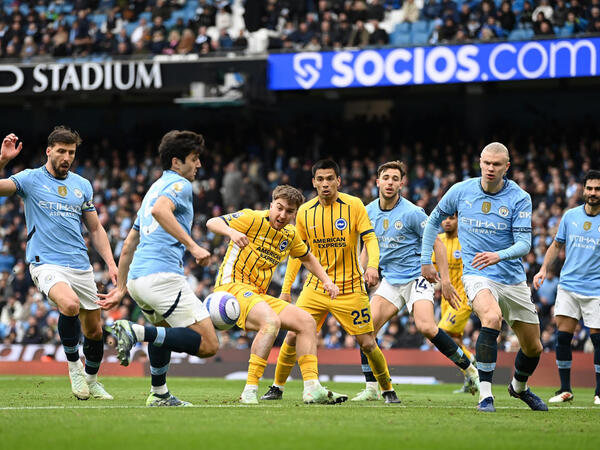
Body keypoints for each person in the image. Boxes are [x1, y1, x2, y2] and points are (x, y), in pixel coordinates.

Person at [421, 142, 548, 413]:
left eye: (497, 164)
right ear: (480, 162)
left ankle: (519, 387)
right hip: (477, 275)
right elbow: (433, 221)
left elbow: (525, 244)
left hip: (512, 278)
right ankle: (485, 395)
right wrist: (424, 261)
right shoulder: (460, 190)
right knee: (491, 318)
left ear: (507, 167)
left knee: (534, 347)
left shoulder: (520, 197)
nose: (491, 168)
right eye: (486, 163)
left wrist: (498, 255)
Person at [263, 159, 401, 404]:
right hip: (315, 288)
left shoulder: (354, 205)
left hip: (350, 288)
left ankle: (387, 389)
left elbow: (370, 239)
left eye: (330, 179)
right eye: (320, 179)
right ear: (313, 182)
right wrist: (286, 290)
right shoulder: (304, 211)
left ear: (339, 180)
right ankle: (277, 387)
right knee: (293, 335)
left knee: (368, 343)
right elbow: (299, 254)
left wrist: (371, 265)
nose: (325, 184)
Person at [98, 130, 219, 407]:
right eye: (194, 159)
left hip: (140, 280)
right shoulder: (179, 185)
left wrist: (121, 288)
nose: (199, 165)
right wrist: (194, 246)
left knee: (163, 331)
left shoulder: (153, 189)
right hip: (162, 276)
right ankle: (135, 332)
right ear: (176, 162)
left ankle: (160, 393)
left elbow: (129, 243)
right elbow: (161, 212)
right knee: (209, 344)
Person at [0, 129, 117, 400]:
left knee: (95, 331)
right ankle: (74, 367)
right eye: (62, 151)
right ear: (49, 151)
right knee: (70, 305)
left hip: (80, 264)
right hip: (46, 262)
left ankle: (92, 380)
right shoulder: (29, 179)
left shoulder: (82, 185)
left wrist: (111, 263)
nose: (67, 157)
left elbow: (96, 229)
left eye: (71, 152)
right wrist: (2, 160)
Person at [206, 185, 347, 405]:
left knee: (307, 322)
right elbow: (212, 222)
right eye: (279, 208)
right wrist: (232, 232)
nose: (282, 215)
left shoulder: (290, 234)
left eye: (289, 211)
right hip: (231, 288)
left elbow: (307, 257)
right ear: (271, 205)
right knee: (270, 321)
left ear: (295, 214)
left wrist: (327, 281)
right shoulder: (251, 218)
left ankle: (312, 388)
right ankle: (250, 390)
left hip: (258, 294)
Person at [351, 161, 479, 402]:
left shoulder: (412, 212)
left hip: (416, 278)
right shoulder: (367, 212)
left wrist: (446, 281)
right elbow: (368, 244)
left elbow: (437, 244)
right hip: (390, 280)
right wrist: (363, 269)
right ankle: (371, 389)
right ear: (377, 182)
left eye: (395, 178)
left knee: (427, 327)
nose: (390, 182)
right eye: (385, 178)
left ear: (402, 183)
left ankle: (470, 370)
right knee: (364, 332)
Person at [533, 170, 600, 405]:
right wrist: (543, 269)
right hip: (568, 285)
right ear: (583, 190)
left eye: (597, 189)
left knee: (598, 340)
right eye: (590, 188)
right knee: (563, 337)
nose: (593, 193)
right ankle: (565, 389)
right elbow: (556, 245)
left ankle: (599, 392)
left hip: (596, 289)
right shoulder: (570, 216)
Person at [433, 213, 479, 394]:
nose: (447, 221)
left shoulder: (466, 240)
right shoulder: (438, 241)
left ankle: (471, 362)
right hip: (446, 299)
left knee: (442, 333)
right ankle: (470, 379)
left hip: (463, 297)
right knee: (456, 340)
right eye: (444, 218)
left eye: (452, 218)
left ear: (459, 220)